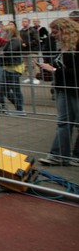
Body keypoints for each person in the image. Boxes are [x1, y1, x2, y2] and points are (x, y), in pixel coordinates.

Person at [36, 18, 79, 166]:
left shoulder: (76, 46)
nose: (53, 35)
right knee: (64, 122)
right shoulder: (64, 47)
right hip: (63, 88)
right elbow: (60, 67)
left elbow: (75, 71)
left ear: (65, 31)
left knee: (71, 122)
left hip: (74, 89)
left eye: (55, 32)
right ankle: (59, 155)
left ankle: (72, 155)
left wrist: (53, 69)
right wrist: (47, 70)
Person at [0, 24, 25, 115]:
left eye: (4, 32)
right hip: (8, 67)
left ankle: (20, 109)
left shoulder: (15, 41)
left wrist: (1, 51)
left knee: (14, 89)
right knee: (3, 89)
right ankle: (16, 106)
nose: (3, 33)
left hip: (14, 68)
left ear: (9, 33)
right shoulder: (10, 41)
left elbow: (9, 51)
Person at [19, 18, 41, 84]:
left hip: (32, 50)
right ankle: (29, 77)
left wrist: (27, 44)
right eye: (23, 22)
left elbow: (36, 40)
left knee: (33, 64)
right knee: (26, 65)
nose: (24, 23)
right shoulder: (21, 31)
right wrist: (21, 44)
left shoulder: (33, 30)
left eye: (25, 21)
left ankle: (35, 77)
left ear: (28, 22)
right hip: (24, 50)